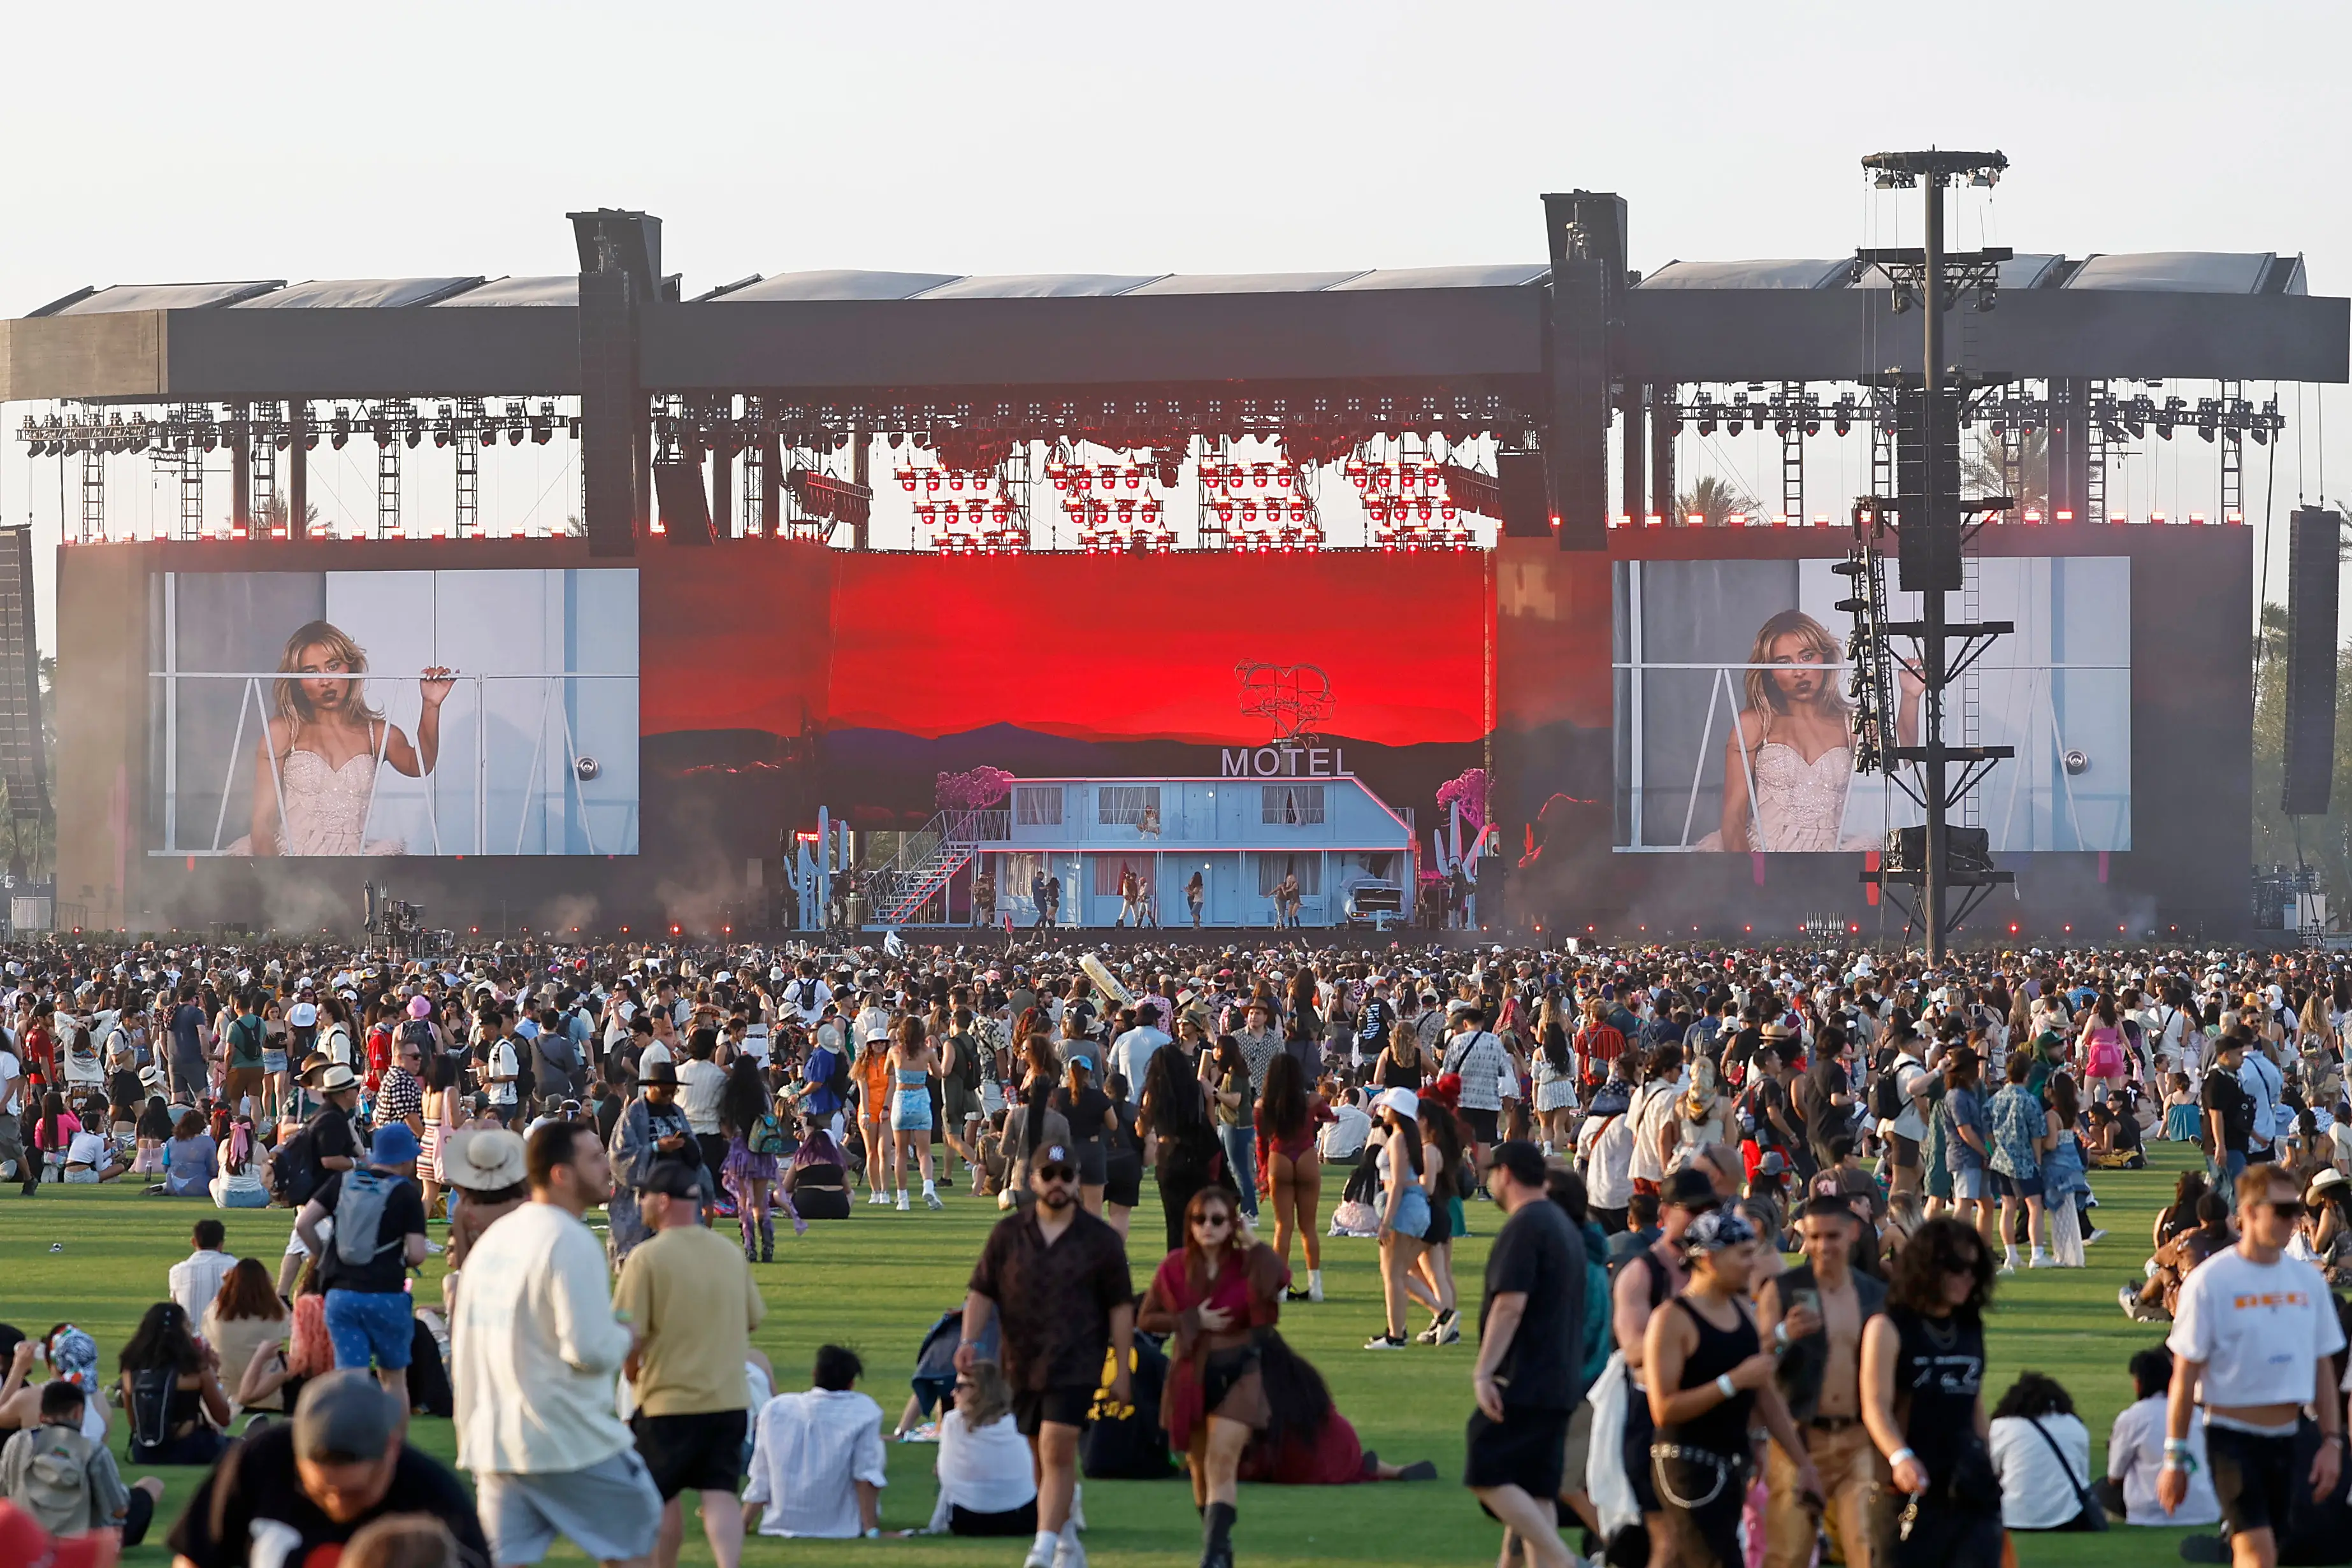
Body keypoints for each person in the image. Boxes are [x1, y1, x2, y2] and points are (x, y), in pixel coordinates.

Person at [453, 1119, 664, 1568]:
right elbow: (586, 1348)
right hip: (564, 1437)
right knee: (639, 1531)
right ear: (560, 1174)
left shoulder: (494, 1243)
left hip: (494, 1438)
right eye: (592, 1156)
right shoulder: (568, 1238)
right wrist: (625, 1337)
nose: (607, 1165)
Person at [958, 1142, 1135, 1568]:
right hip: (1020, 1360)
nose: (1057, 1181)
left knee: (1057, 1447)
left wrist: (1122, 1367)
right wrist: (967, 1341)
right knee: (1038, 1453)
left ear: (1077, 1180)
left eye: (1065, 1174)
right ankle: (1065, 1536)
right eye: (1048, 1173)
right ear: (1033, 1179)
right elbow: (982, 1290)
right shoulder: (1009, 1233)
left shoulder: (1101, 1240)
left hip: (1078, 1359)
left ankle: (1041, 1547)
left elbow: (1120, 1307)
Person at [2160, 1164, 2346, 1568]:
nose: (2292, 1221)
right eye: (2281, 1211)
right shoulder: (2210, 1282)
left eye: (2295, 1210)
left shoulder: (2309, 1282)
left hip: (2291, 1437)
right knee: (2257, 1554)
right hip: (2232, 1437)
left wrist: (2332, 1441)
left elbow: (2323, 1370)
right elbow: (2185, 1375)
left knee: (2271, 1549)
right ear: (2246, 1212)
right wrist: (2174, 1456)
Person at [165, 1369, 487, 1568]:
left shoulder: (430, 1498)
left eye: (355, 1491)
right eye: (321, 1491)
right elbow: (196, 1557)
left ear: (391, 1451)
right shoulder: (261, 1461)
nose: (337, 1504)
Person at [1645, 1207, 1816, 1568]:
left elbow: (1766, 1395)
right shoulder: (1672, 1319)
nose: (1753, 1264)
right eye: (1743, 1255)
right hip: (1687, 1468)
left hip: (1731, 1465)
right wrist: (1732, 1382)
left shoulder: (1741, 1311)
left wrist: (1804, 1464)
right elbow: (1664, 1409)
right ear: (1709, 1258)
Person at [616, 1160, 765, 1568]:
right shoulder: (728, 1254)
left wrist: (631, 1372)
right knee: (719, 1493)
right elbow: (752, 1318)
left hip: (669, 1401)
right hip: (729, 1399)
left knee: (662, 1497)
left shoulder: (645, 1258)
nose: (640, 1203)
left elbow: (628, 1331)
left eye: (643, 1196)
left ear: (662, 1201)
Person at [1137, 1186, 1288, 1568]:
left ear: (1231, 1224)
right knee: (1199, 1468)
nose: (1208, 1227)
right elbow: (1147, 1319)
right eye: (1200, 1219)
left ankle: (1211, 1554)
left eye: (1218, 1220)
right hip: (1190, 1372)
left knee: (1222, 1460)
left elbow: (1280, 1279)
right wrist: (1191, 1320)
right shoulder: (1174, 1267)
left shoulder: (1246, 1262)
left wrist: (1254, 1243)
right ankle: (1219, 1545)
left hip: (1240, 1370)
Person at [1465, 1140, 1588, 1568]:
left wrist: (1484, 1371)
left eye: (1490, 1173)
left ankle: (1564, 1560)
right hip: (1559, 1376)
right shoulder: (1561, 1224)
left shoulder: (1526, 1226)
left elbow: (1510, 1303)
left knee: (1486, 1469)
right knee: (1536, 1489)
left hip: (1525, 1378)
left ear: (1507, 1173)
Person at [232, 620, 450, 856]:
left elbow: (420, 764)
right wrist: (281, 885)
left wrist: (431, 704)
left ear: (350, 668)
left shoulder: (376, 733)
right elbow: (262, 824)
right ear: (298, 681)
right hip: (289, 865)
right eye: (311, 672)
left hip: (353, 867)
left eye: (333, 666)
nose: (325, 680)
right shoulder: (282, 732)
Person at [1860, 1217, 2002, 1568]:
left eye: (1973, 1267)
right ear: (1927, 1267)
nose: (1966, 1276)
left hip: (1967, 1482)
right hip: (1910, 1484)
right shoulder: (1888, 1326)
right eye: (1955, 1267)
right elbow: (1874, 1405)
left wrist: (1989, 1459)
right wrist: (1899, 1457)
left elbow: (1975, 1402)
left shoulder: (1969, 1325)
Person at [1755, 1191, 1886, 1568]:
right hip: (1797, 1439)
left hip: (1858, 1439)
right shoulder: (1781, 1290)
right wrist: (1782, 1334)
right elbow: (1757, 1362)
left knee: (1868, 1549)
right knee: (1788, 1554)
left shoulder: (1874, 1296)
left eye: (1832, 1236)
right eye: (1814, 1237)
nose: (1822, 1246)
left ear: (1853, 1234)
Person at [292, 1120, 429, 1406]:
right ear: (405, 1158)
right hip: (386, 1293)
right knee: (393, 1380)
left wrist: (325, 1255)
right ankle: (393, 1445)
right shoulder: (406, 1194)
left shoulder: (343, 1182)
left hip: (341, 1293)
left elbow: (304, 1223)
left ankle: (352, 1445)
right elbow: (417, 1254)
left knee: (350, 1377)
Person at [741, 1346, 888, 1540]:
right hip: (842, 1527)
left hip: (780, 1523)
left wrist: (741, 1523)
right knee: (877, 1448)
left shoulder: (776, 1409)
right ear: (852, 1383)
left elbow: (762, 1475)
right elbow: (865, 1474)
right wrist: (872, 1530)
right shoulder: (864, 1410)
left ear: (814, 1374)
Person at [0, 1378, 158, 1551]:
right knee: (151, 1485)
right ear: (78, 1412)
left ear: (42, 1415)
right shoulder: (93, 1450)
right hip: (82, 1545)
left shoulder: (16, 1443)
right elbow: (118, 1509)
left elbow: (4, 1496)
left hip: (26, 1540)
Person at [2102, 1345, 2218, 1527]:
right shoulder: (2197, 1413)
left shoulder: (2133, 1417)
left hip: (2150, 1512)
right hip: (2205, 1508)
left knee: (2100, 1490)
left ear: (2139, 1383)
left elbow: (2115, 1476)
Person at [920, 1360, 1038, 1536]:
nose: (953, 1393)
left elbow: (944, 1473)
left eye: (960, 1386)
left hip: (968, 1521)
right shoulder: (1018, 1420)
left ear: (979, 1390)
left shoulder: (953, 1421)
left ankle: (937, 1524)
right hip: (1022, 1518)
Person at [1253, 1051, 1330, 1302]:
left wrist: (1263, 1173)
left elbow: (1261, 1143)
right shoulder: (1311, 1099)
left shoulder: (1264, 1105)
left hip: (1279, 1157)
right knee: (1308, 1227)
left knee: (1282, 1226)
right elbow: (1329, 1115)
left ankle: (1281, 1289)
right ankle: (1316, 1287)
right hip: (1307, 1155)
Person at [117, 1302, 231, 1466]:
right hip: (191, 1449)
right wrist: (214, 1374)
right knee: (243, 1447)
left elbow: (135, 1423)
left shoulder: (131, 1370)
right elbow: (223, 1417)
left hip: (145, 1452)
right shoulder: (195, 1369)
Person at [1365, 1087, 1435, 1350]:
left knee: (1393, 1274)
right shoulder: (1408, 1137)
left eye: (1386, 1107)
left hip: (1403, 1206)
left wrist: (1386, 1222)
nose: (1381, 1110)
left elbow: (1395, 1185)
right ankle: (1399, 1328)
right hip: (1415, 1205)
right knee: (1397, 1273)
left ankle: (1396, 1335)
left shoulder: (1397, 1140)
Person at [1986, 1371, 2096, 1530]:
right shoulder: (2075, 1425)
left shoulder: (2002, 1426)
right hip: (2069, 1517)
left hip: (2013, 1517)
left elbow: (1991, 1471)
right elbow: (2082, 1474)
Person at [203, 1257, 294, 1419]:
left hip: (227, 1396)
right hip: (267, 1395)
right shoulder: (275, 1315)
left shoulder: (216, 1314)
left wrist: (227, 1284)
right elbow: (292, 1325)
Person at [1984, 1051, 2049, 1272]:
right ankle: (2037, 1253)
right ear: (2027, 1074)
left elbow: (1987, 1128)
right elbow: (2037, 1133)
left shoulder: (1996, 1099)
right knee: (2034, 1205)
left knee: (2008, 1207)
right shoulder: (2029, 1100)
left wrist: (1994, 1149)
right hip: (2024, 1159)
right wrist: (2038, 1160)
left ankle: (2011, 1253)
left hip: (2001, 1159)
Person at [169, 1218, 238, 1325]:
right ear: (221, 1244)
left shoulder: (177, 1271)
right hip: (224, 1339)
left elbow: (176, 1306)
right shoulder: (236, 1267)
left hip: (188, 1339)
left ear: (194, 1242)